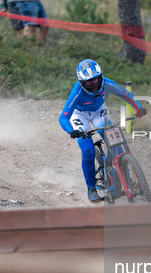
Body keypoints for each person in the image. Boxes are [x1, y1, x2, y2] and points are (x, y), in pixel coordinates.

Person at [59, 59, 146, 203]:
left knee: (116, 142)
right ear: (82, 82)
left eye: (96, 80)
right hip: (79, 115)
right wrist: (71, 130)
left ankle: (128, 177)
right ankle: (91, 187)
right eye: (89, 82)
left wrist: (139, 108)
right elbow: (63, 117)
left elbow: (127, 95)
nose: (93, 84)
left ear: (101, 76)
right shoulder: (78, 91)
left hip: (99, 112)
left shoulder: (107, 83)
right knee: (88, 151)